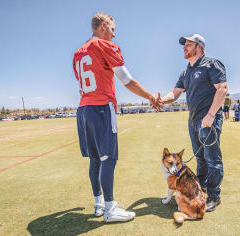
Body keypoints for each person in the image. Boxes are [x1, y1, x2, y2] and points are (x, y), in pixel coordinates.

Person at [72, 12, 160, 223]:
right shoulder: (105, 46)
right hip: (101, 108)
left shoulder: (78, 52)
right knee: (108, 158)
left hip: (83, 109)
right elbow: (126, 79)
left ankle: (99, 204)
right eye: (112, 29)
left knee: (95, 159)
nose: (114, 34)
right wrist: (150, 97)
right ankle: (110, 209)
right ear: (102, 26)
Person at [158, 34, 228, 212]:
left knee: (213, 159)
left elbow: (222, 89)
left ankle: (214, 196)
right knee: (201, 159)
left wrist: (211, 115)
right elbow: (174, 94)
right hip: (193, 121)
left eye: (189, 45)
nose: (185, 47)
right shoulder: (186, 71)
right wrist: (160, 101)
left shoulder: (211, 64)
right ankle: (201, 191)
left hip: (208, 120)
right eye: (185, 45)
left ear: (199, 47)